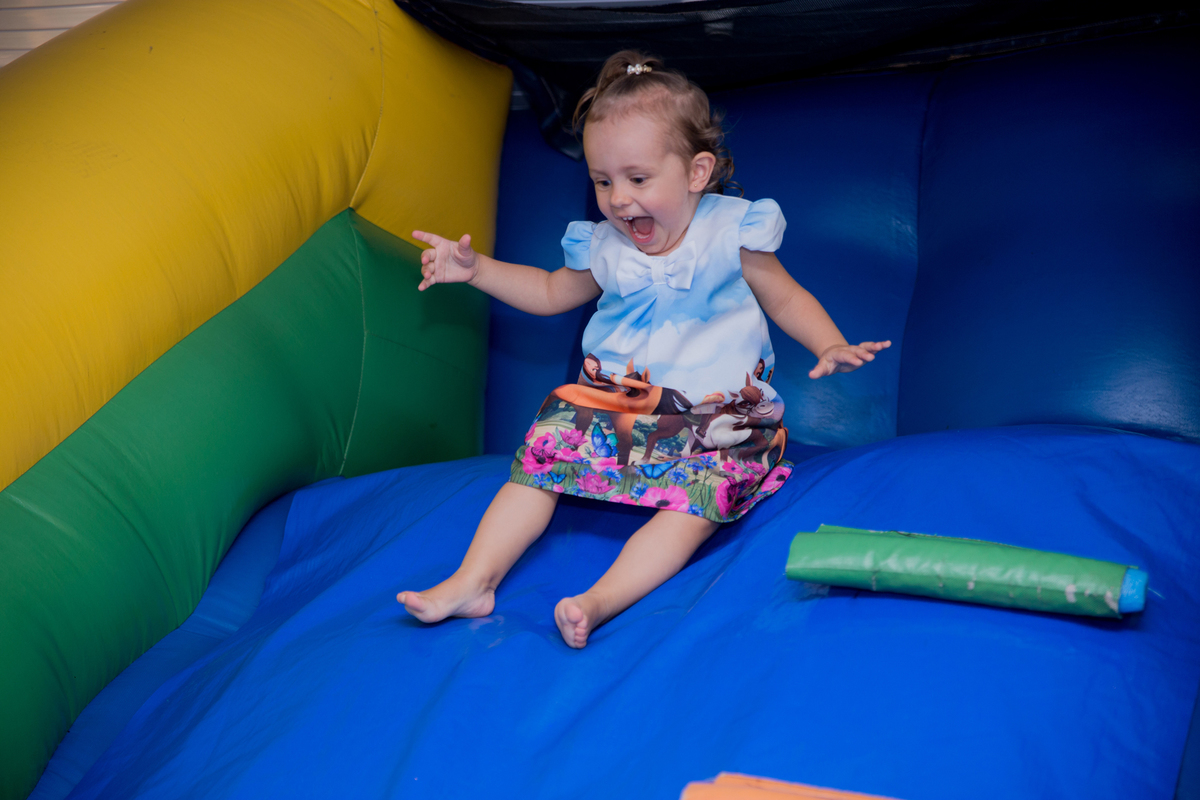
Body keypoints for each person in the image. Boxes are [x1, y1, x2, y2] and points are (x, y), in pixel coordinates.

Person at [397, 50, 890, 649]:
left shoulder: (734, 232)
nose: (618, 199)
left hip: (720, 413)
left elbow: (786, 298)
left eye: (637, 179)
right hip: (620, 401)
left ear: (696, 172)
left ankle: (602, 599)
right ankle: (473, 581)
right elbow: (551, 291)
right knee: (534, 468)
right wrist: (476, 271)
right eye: (602, 182)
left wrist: (829, 342)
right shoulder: (605, 245)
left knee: (695, 507)